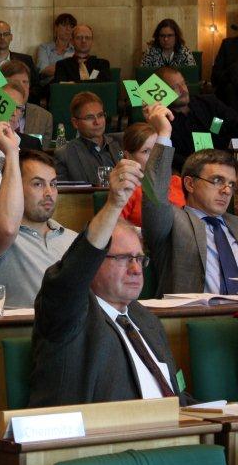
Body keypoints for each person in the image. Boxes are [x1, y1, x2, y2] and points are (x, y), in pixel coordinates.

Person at [28, 159, 191, 407]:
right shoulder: (69, 313)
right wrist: (114, 204)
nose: (136, 269)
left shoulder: (145, 320)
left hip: (167, 424)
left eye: (139, 259)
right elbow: (75, 271)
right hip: (95, 429)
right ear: (94, 263)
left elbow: (177, 394)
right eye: (124, 258)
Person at [141, 102, 238, 294]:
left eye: (231, 184)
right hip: (195, 311)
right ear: (190, 184)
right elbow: (155, 194)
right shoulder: (171, 223)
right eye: (217, 180)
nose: (226, 190)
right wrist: (164, 134)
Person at [0, 132, 78, 309]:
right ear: (15, 187)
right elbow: (7, 229)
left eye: (53, 184)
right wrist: (11, 152)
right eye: (38, 184)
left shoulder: (74, 239)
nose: (49, 193)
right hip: (27, 326)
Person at [155, 66, 238, 171]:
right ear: (162, 93)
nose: (183, 90)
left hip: (227, 164)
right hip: (192, 172)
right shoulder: (163, 123)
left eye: (183, 83)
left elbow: (236, 122)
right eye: (174, 87)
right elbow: (171, 159)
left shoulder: (209, 103)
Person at [119, 122, 185, 227]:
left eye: (157, 150)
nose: (154, 156)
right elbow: (115, 227)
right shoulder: (126, 189)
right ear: (128, 156)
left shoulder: (178, 182)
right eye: (146, 151)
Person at [54, 91, 122, 183]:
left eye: (100, 115)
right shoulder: (65, 155)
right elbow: (62, 191)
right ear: (75, 123)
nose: (97, 122)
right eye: (89, 117)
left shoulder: (121, 142)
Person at [1, 60, 53, 139]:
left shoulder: (44, 117)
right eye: (16, 83)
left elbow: (43, 147)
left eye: (25, 82)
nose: (22, 87)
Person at [35, 13, 76, 81]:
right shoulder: (45, 48)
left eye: (71, 26)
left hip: (71, 84)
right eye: (64, 25)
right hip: (50, 84)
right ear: (56, 27)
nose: (68, 29)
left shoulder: (75, 50)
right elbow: (43, 70)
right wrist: (69, 68)